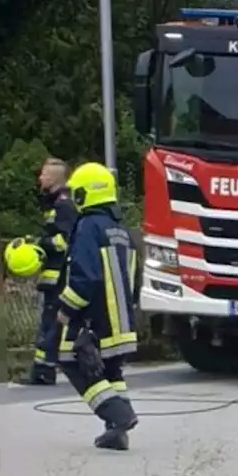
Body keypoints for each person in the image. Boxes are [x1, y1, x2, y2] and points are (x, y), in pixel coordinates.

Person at [55, 162, 140, 450]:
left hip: (95, 319)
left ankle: (119, 416)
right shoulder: (121, 230)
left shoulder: (88, 226)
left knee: (72, 361)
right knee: (110, 372)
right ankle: (117, 433)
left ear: (84, 195)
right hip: (122, 322)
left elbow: (85, 276)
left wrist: (66, 309)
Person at [22, 157, 78, 385]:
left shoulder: (63, 205)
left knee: (51, 322)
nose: (40, 178)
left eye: (43, 174)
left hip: (60, 276)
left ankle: (44, 371)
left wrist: (38, 242)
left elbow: (65, 241)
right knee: (50, 321)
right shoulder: (56, 203)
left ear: (54, 178)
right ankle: (43, 369)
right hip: (54, 275)